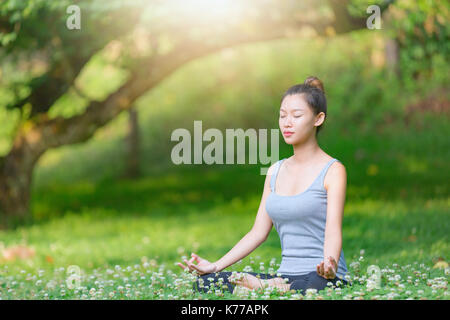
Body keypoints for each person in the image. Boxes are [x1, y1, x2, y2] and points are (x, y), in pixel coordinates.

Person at [178, 76, 350, 296]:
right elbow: (258, 232)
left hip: (321, 277)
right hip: (285, 276)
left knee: (317, 286)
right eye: (282, 116)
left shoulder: (333, 170)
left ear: (318, 118)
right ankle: (273, 287)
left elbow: (333, 231)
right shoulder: (275, 172)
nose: (287, 122)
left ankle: (263, 288)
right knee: (207, 282)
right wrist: (215, 266)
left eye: (297, 116)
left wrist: (330, 263)